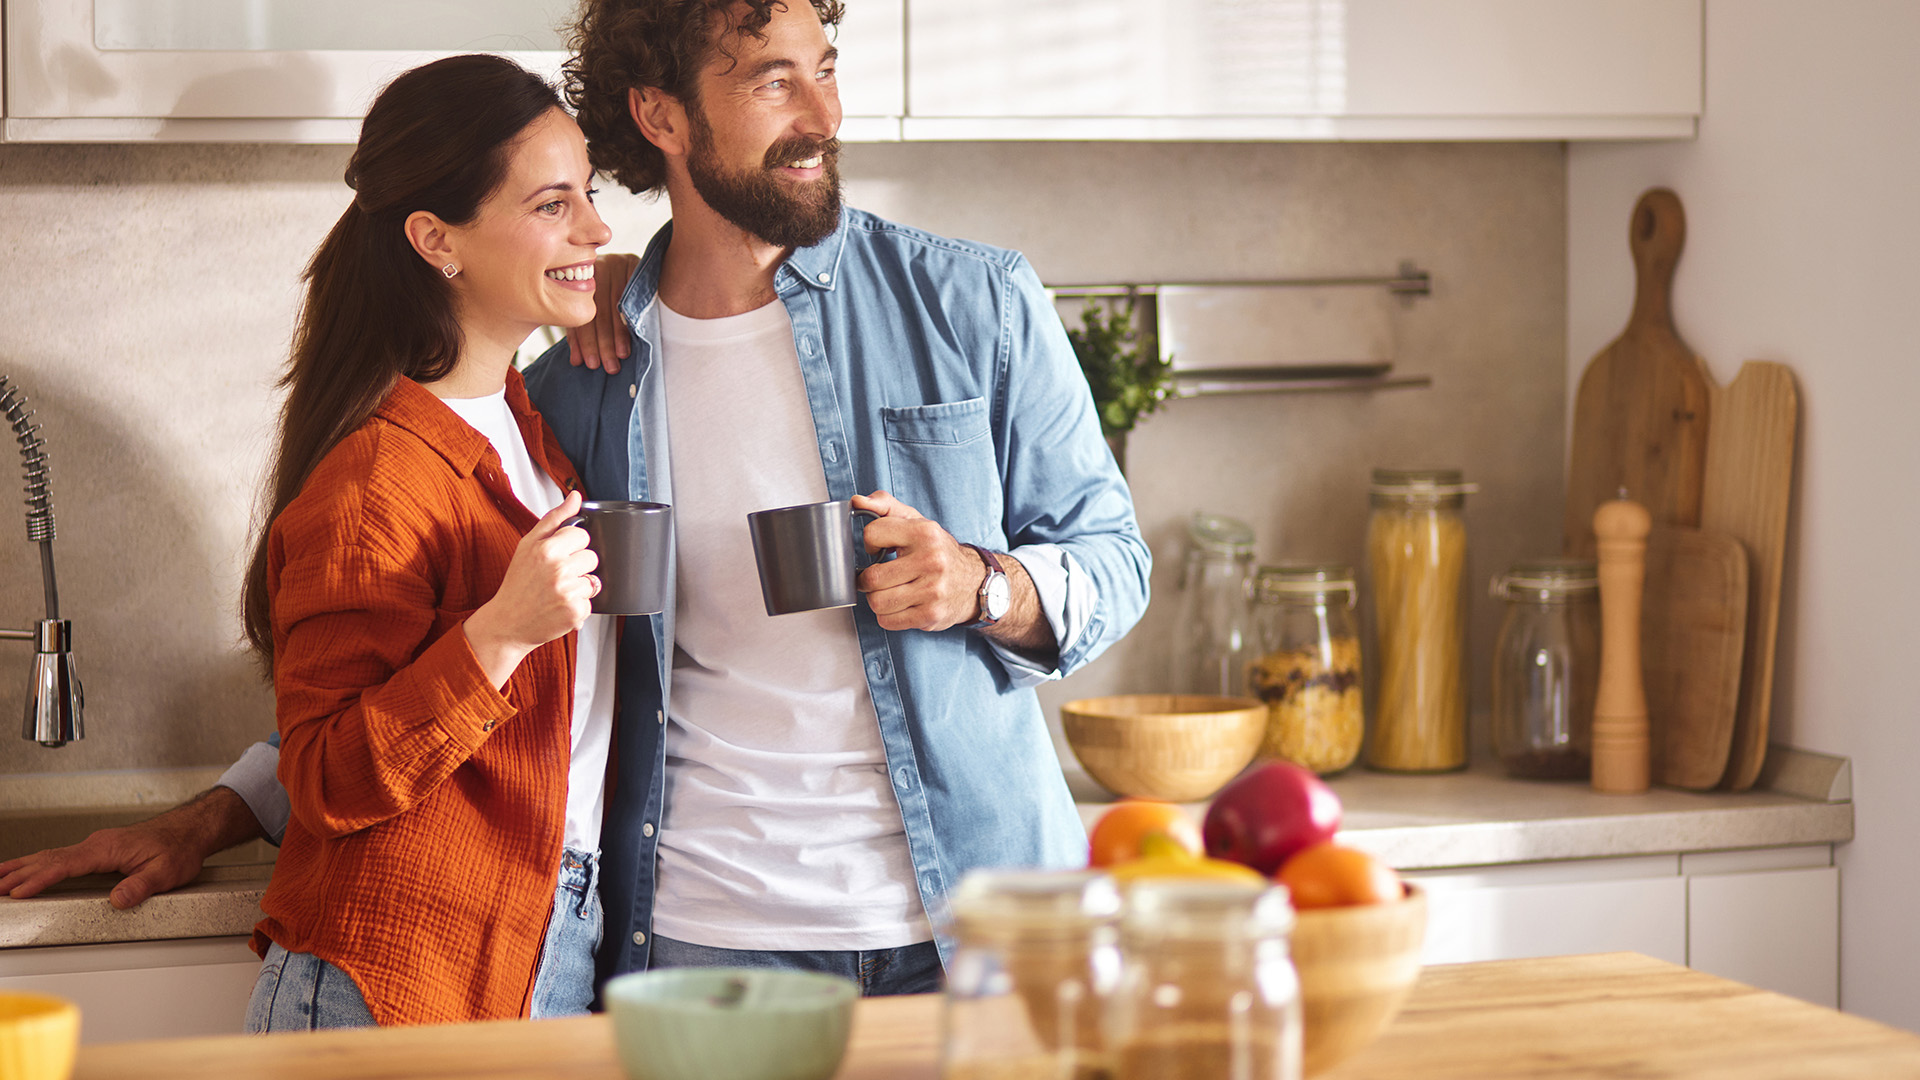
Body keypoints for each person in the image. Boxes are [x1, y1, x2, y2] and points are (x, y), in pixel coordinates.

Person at [1, 0, 1150, 1002]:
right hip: (705, 944)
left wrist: (988, 584)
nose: (825, 115)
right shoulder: (581, 384)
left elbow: (1112, 560)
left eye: (827, 66)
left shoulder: (972, 302)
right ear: (660, 116)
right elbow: (455, 647)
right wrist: (223, 808)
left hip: (985, 927)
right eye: (772, 80)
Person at [239, 54, 619, 1029]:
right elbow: (324, 773)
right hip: (397, 973)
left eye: (591, 194)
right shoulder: (377, 474)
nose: (596, 228)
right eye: (552, 204)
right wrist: (500, 636)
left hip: (542, 940)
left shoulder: (529, 428)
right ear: (435, 239)